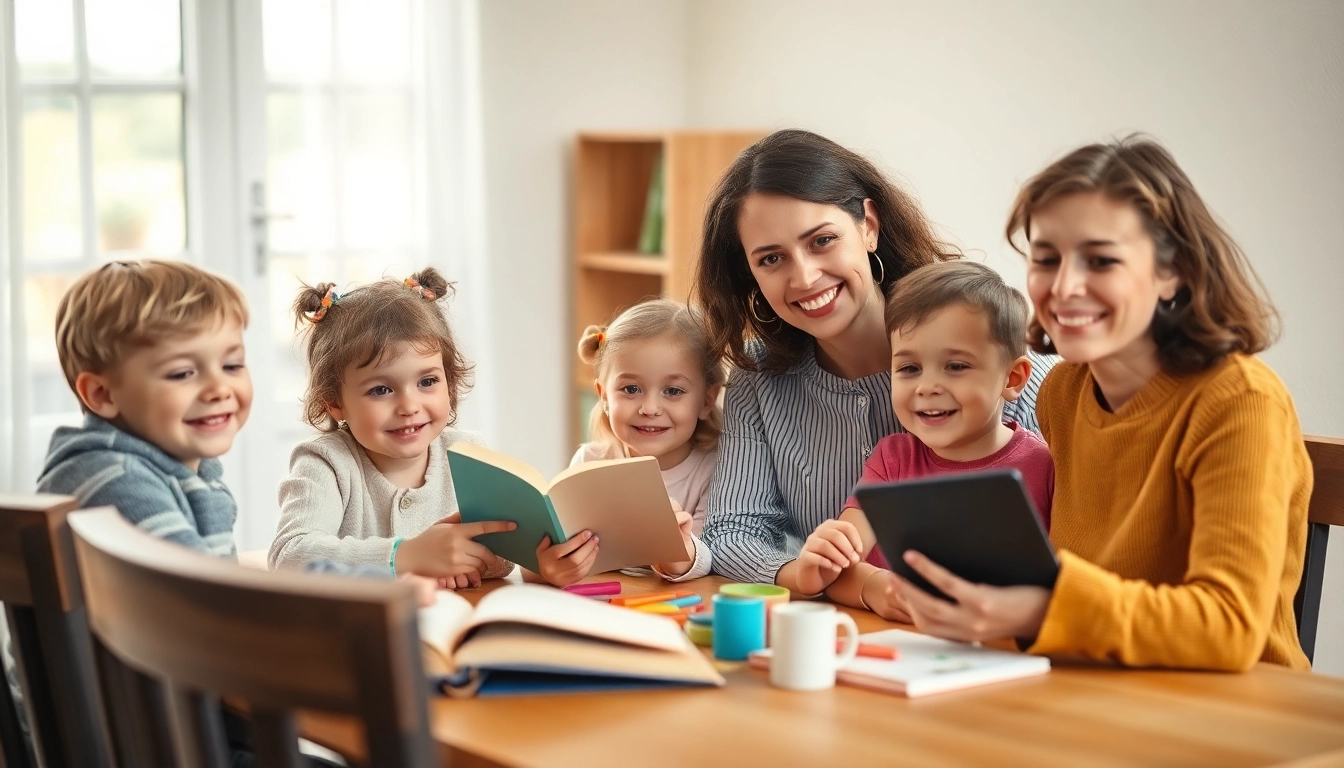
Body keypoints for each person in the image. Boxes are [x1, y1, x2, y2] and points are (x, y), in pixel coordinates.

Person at [891, 136, 1311, 671]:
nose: (1065, 287)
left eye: (1101, 260)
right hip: (1093, 682)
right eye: (1046, 259)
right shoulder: (1064, 393)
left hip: (1232, 710)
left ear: (1172, 271)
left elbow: (1229, 626)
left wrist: (1043, 609)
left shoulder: (1240, 401)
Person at [693, 129, 1055, 586]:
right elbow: (732, 534)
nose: (804, 277)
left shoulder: (1021, 374)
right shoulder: (757, 381)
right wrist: (840, 582)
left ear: (868, 225)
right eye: (770, 259)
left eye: (821, 240)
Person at [776, 261, 1053, 619]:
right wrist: (848, 578)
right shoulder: (892, 461)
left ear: (1013, 378)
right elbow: (838, 572)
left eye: (955, 366)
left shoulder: (1045, 466)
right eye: (909, 369)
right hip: (898, 648)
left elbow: (1061, 589)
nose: (926, 387)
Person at [269, 269, 516, 589]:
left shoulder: (469, 453)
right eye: (381, 390)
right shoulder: (325, 462)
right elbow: (289, 557)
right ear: (334, 401)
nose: (409, 406)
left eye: (427, 382)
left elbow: (506, 557)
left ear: (449, 381)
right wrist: (406, 555)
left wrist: (474, 558)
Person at [543, 299, 725, 586]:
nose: (650, 408)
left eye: (673, 391)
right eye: (631, 389)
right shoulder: (589, 463)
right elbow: (558, 551)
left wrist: (680, 552)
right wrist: (552, 564)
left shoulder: (714, 470)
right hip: (599, 604)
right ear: (604, 397)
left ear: (706, 400)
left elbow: (713, 559)